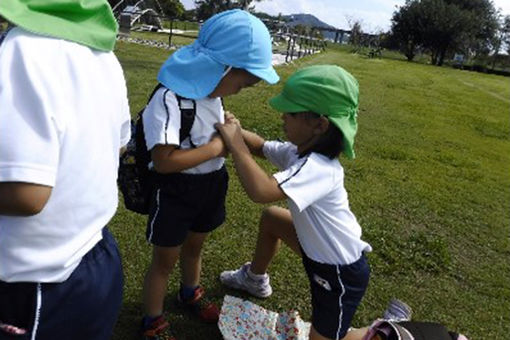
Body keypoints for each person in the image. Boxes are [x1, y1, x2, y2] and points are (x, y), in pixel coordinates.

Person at [139, 9, 279, 340]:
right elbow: (164, 161)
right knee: (165, 259)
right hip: (176, 190)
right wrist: (217, 149)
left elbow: (223, 134)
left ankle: (190, 292)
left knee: (194, 247)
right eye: (242, 83)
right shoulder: (169, 99)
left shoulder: (212, 95)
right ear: (222, 67)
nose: (240, 90)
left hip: (209, 186)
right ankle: (152, 320)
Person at [0, 1, 130, 340]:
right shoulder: (104, 57)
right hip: (94, 256)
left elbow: (25, 194)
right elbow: (118, 145)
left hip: (35, 284)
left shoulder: (22, 48)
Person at [215, 65, 372, 340]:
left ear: (320, 125)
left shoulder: (319, 168)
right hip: (317, 249)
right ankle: (254, 279)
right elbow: (261, 146)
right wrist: (237, 131)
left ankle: (381, 330)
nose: (282, 116)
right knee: (273, 218)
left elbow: (261, 191)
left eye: (291, 112)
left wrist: (236, 146)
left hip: (337, 273)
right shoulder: (299, 153)